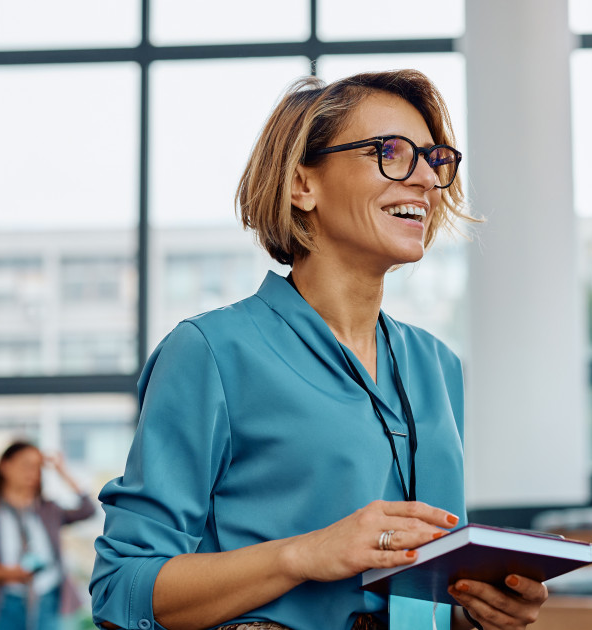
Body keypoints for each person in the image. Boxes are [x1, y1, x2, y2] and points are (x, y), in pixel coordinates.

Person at [90, 70, 548, 630]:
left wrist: (476, 613)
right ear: (301, 184)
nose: (427, 179)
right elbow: (122, 590)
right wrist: (303, 555)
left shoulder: (437, 366)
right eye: (392, 151)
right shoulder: (211, 352)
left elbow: (418, 599)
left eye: (433, 159)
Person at [0, 441, 95, 630]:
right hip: (2, 606)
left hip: (48, 604)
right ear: (4, 466)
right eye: (26, 465)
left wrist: (62, 471)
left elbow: (88, 510)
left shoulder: (48, 510)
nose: (32, 472)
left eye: (38, 467)